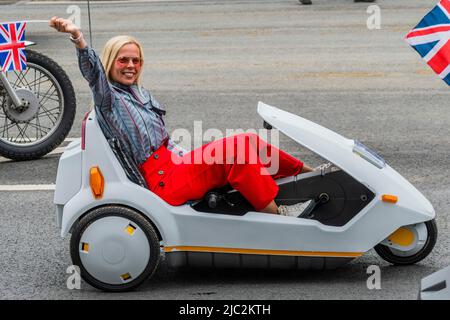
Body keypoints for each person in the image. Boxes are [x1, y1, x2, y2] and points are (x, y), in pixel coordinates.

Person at [49, 17, 316, 217]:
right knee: (236, 153)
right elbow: (93, 73)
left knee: (246, 140)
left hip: (175, 163)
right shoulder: (110, 99)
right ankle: (280, 217)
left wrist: (192, 157)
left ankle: (314, 176)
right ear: (110, 62)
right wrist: (77, 38)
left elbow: (166, 142)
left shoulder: (140, 94)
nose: (131, 66)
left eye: (136, 61)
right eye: (123, 60)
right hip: (163, 182)